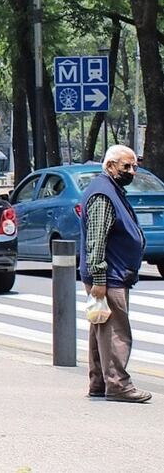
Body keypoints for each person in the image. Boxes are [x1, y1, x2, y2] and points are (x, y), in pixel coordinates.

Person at [81, 145, 151, 403]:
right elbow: (97, 240)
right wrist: (99, 279)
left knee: (101, 329)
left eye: (134, 166)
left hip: (111, 275)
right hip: (109, 277)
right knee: (116, 331)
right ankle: (118, 384)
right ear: (110, 166)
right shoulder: (103, 194)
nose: (132, 171)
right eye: (126, 167)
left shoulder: (110, 190)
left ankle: (100, 383)